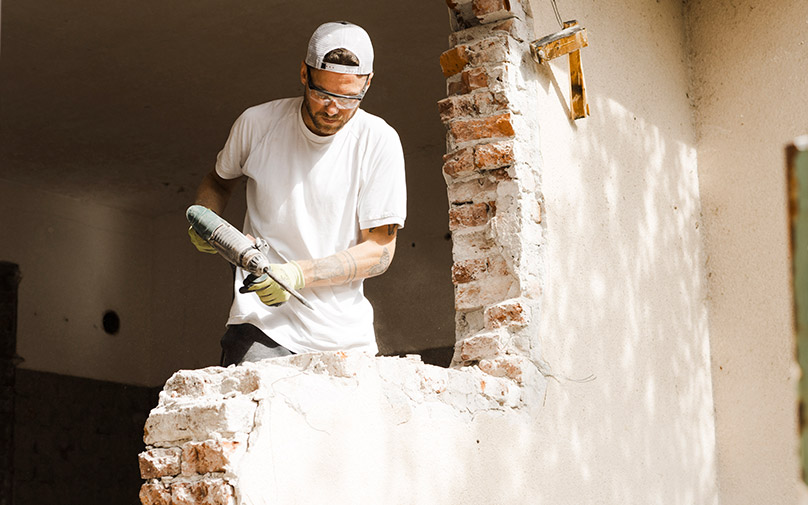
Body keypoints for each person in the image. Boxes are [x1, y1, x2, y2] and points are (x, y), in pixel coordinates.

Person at [189, 21, 406, 366]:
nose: (333, 108)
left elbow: (379, 251)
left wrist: (298, 274)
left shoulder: (378, 141)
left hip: (345, 338)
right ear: (304, 74)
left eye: (349, 97)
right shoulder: (257, 124)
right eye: (323, 94)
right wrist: (206, 217)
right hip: (263, 326)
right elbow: (218, 181)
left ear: (368, 82)